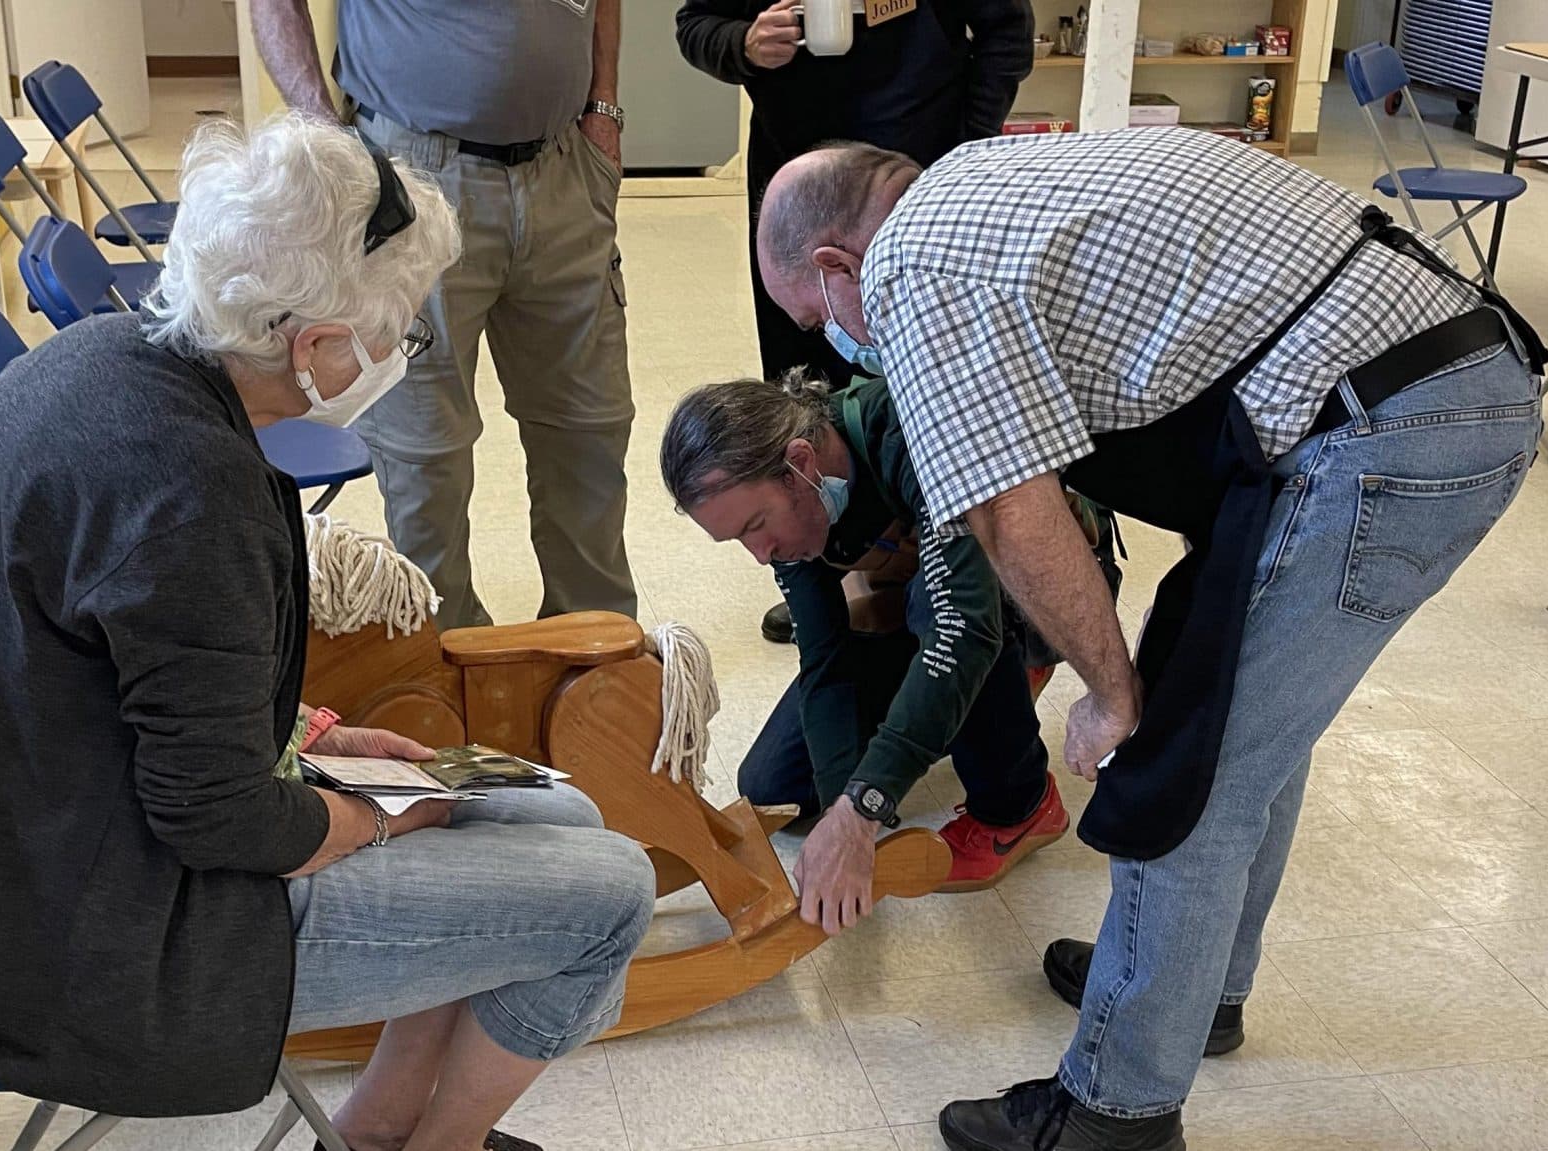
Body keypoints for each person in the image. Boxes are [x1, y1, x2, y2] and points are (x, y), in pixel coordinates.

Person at [0, 117, 655, 1151]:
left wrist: (306, 735)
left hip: (17, 875)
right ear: (320, 343)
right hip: (99, 947)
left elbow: (131, 671)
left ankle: (374, 1129)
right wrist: (382, 820)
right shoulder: (189, 489)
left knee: (549, 810)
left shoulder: (100, 356)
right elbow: (226, 824)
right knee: (611, 890)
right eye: (405, 330)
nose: (401, 353)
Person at [755, 132, 1546, 1150]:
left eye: (822, 320)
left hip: (1382, 428)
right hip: (1414, 391)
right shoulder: (979, 184)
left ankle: (1111, 1112)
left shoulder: (913, 266)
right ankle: (1186, 985)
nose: (840, 346)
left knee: (1183, 772)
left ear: (834, 264)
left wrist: (1107, 689)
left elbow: (1014, 513)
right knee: (1236, 732)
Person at [660, 371, 1119, 921]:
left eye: (756, 525)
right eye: (738, 539)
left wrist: (864, 808)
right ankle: (974, 703)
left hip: (1044, 597)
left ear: (800, 464)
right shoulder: (795, 507)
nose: (760, 554)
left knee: (948, 620)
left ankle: (1020, 806)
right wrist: (837, 806)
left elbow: (963, 626)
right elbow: (826, 661)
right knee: (773, 784)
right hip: (932, 603)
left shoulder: (913, 435)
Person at [253, 0, 638, 630]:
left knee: (588, 432)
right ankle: (448, 664)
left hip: (564, 167)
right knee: (425, 454)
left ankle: (592, 655)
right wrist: (326, 135)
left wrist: (604, 107)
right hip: (413, 176)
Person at [674, 0, 1033, 646]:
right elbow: (696, 26)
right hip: (793, 177)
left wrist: (963, 150)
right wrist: (744, 45)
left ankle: (940, 579)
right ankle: (827, 572)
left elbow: (1008, 32)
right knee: (803, 378)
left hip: (909, 173)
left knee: (927, 390)